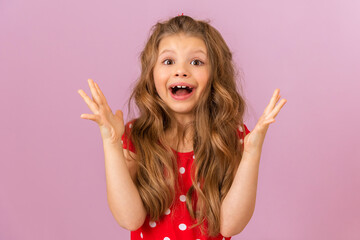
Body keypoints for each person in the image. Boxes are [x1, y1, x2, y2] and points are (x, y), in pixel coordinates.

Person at [78, 15, 287, 240]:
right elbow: (130, 219)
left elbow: (230, 226)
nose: (181, 71)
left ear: (215, 75)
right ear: (151, 74)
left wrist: (252, 154)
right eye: (168, 62)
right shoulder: (136, 136)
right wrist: (111, 144)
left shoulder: (231, 137)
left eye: (196, 62)